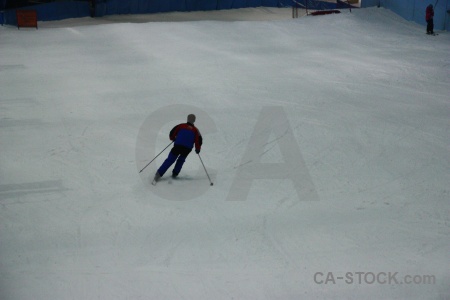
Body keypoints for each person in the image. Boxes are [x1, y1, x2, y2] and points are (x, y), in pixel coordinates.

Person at [154, 114, 202, 182]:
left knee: (170, 160)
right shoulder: (196, 130)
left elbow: (172, 133)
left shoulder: (181, 126)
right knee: (181, 160)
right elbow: (199, 140)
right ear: (194, 120)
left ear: (187, 119)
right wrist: (198, 149)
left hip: (178, 146)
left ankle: (158, 174)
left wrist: (173, 138)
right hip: (187, 149)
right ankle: (175, 174)